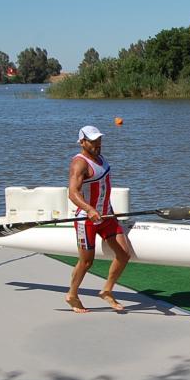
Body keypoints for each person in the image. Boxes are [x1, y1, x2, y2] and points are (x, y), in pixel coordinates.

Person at [65, 125, 131, 313]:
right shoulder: (79, 163)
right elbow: (73, 193)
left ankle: (107, 291)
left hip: (107, 215)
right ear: (82, 142)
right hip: (87, 220)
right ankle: (72, 294)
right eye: (92, 141)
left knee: (124, 254)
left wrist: (106, 210)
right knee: (86, 262)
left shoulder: (101, 158)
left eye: (98, 140)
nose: (97, 144)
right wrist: (90, 209)